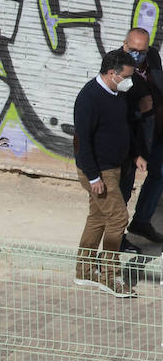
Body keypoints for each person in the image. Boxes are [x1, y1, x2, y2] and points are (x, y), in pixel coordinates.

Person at [73, 48, 146, 298]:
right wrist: (93, 177)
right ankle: (108, 276)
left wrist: (136, 154)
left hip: (114, 168)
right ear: (112, 73)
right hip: (98, 171)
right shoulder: (89, 98)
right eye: (126, 76)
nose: (130, 81)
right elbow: (83, 142)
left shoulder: (117, 94)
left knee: (97, 218)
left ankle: (84, 271)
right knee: (117, 219)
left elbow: (124, 127)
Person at [121, 28, 163, 244]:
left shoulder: (153, 57)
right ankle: (118, 238)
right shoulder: (116, 65)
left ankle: (141, 221)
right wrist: (142, 111)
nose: (138, 55)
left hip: (156, 132)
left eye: (142, 51)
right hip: (135, 138)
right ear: (125, 45)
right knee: (124, 188)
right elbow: (116, 111)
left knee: (159, 173)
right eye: (134, 50)